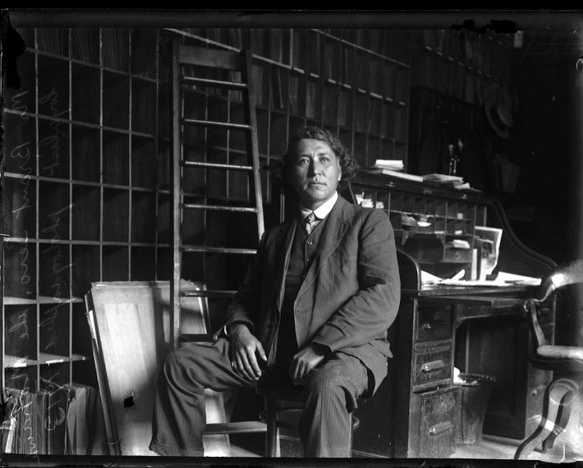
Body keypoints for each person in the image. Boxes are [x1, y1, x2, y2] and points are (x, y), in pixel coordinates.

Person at [149, 126, 401, 457]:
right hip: (271, 354)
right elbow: (244, 299)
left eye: (324, 159)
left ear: (340, 170)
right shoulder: (274, 238)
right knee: (179, 366)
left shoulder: (367, 223)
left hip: (344, 353)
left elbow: (383, 296)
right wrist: (240, 332)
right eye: (303, 161)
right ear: (291, 174)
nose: (315, 169)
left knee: (327, 384)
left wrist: (320, 347)